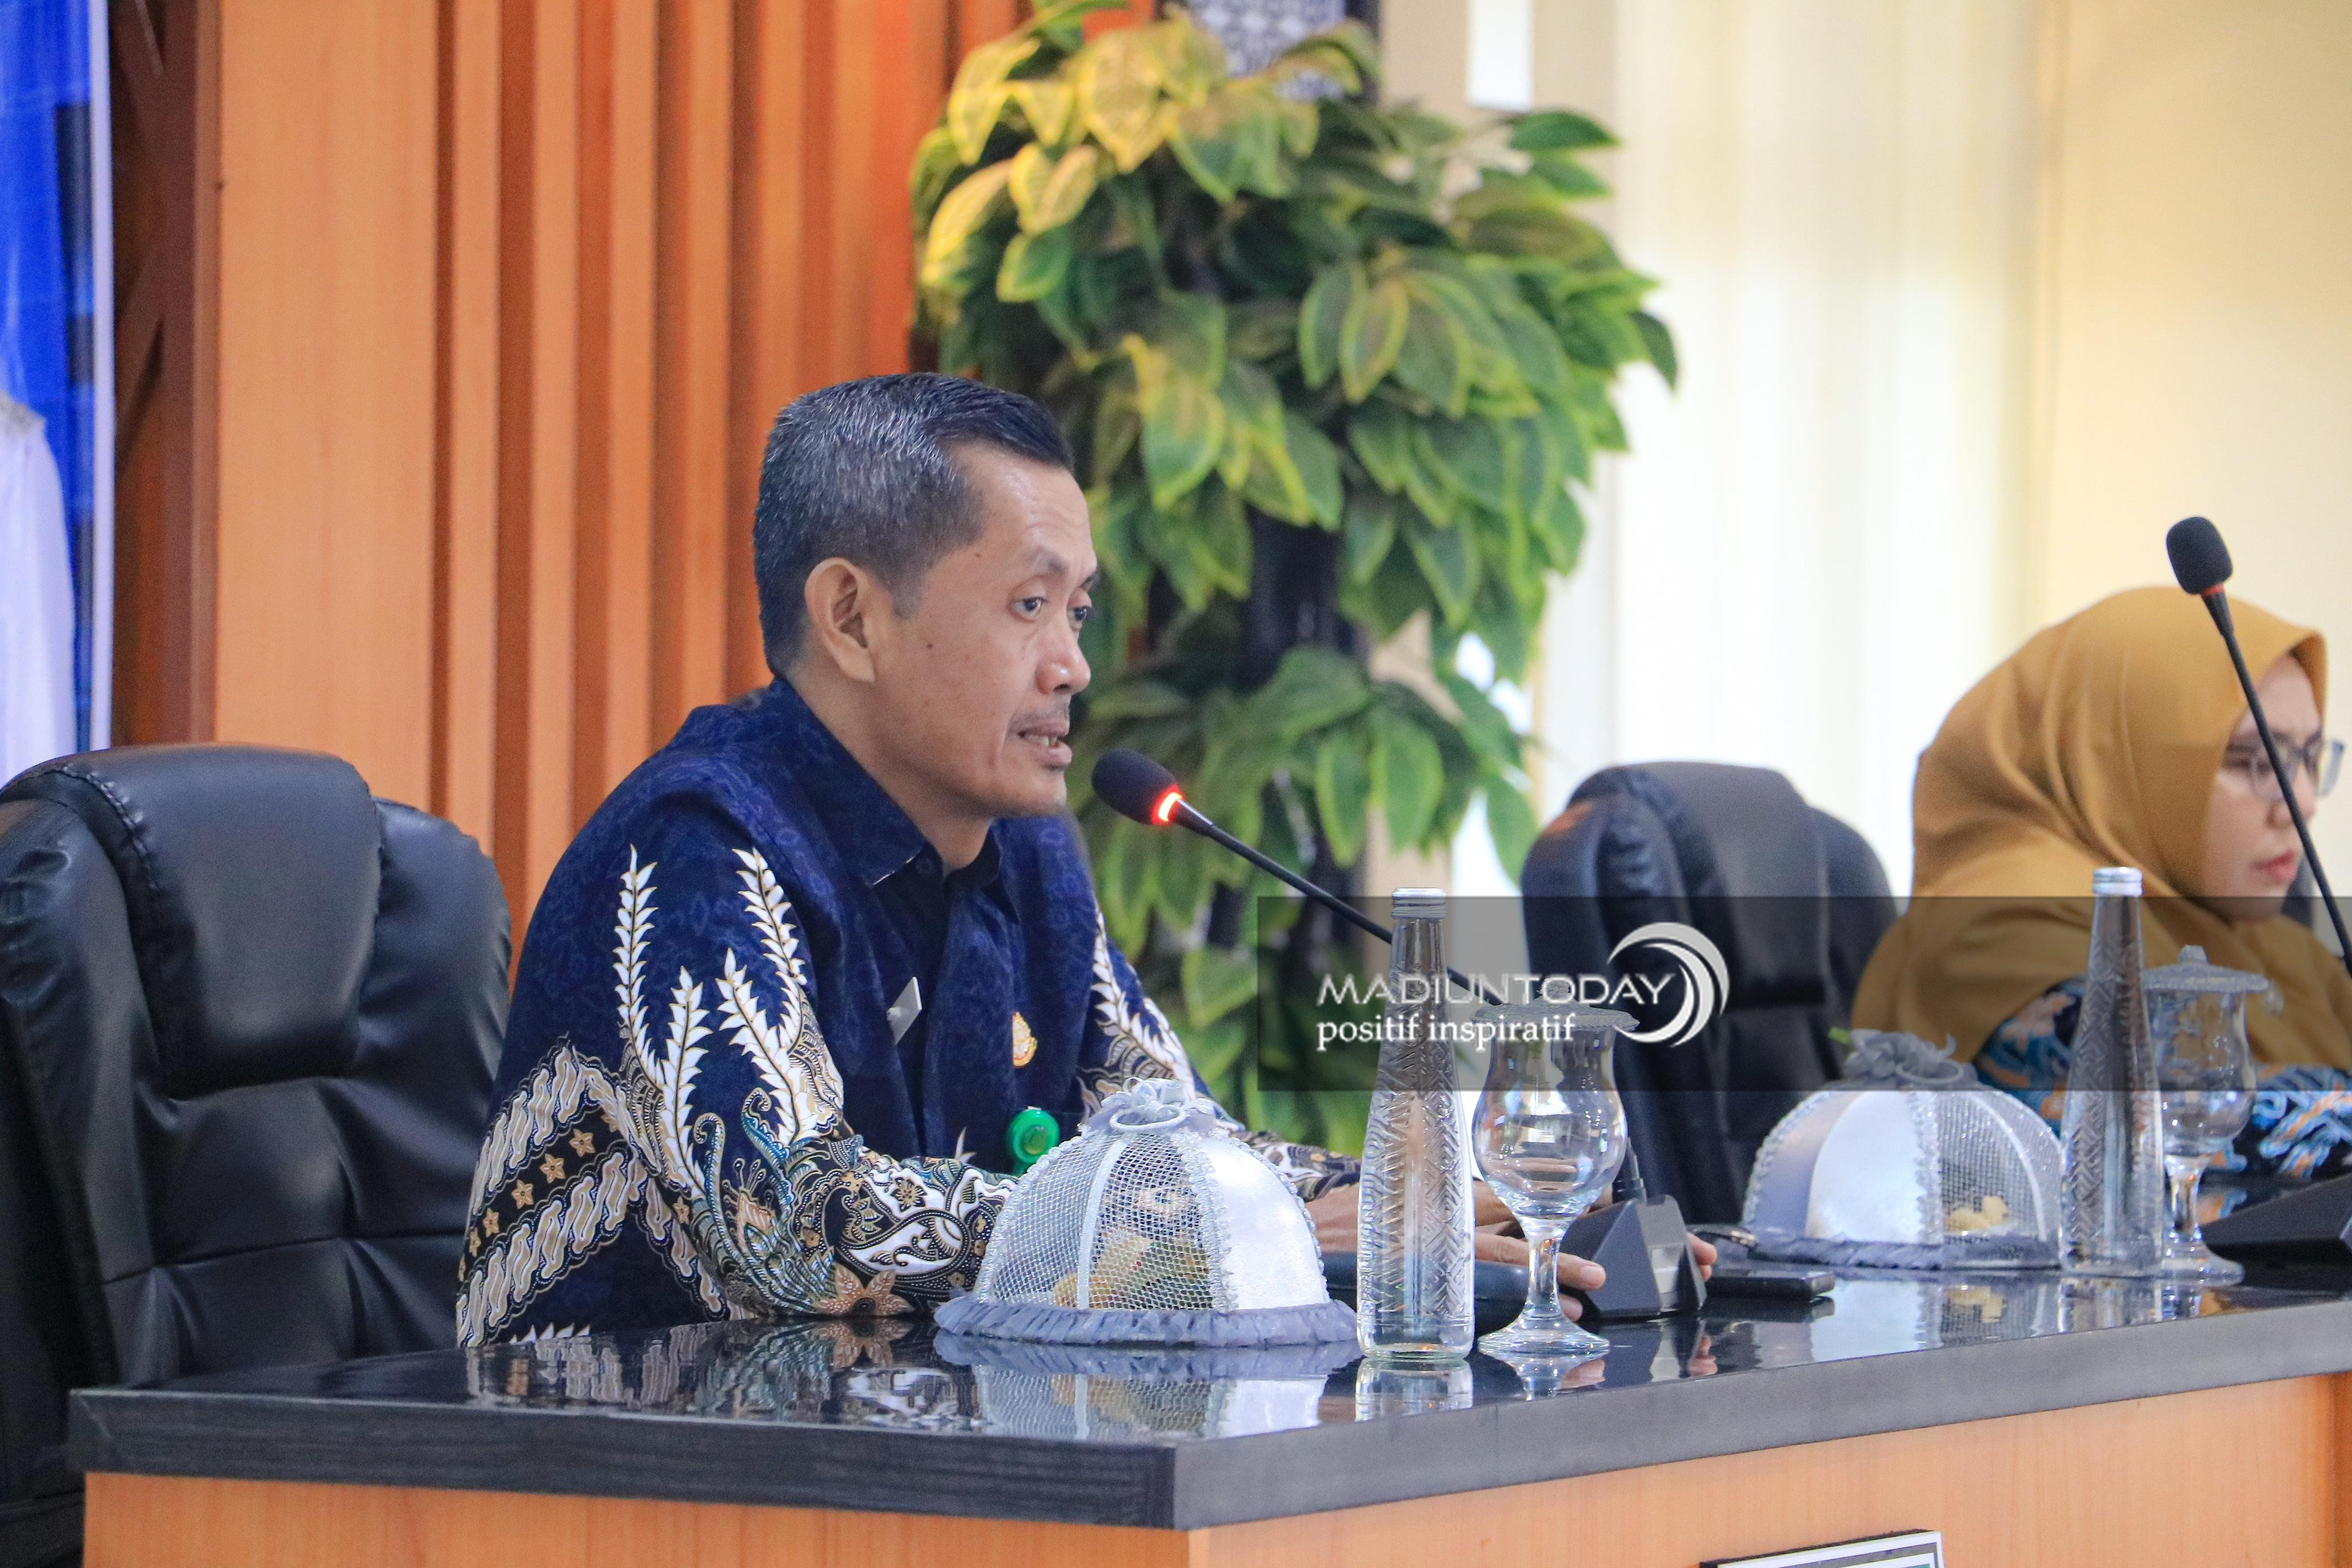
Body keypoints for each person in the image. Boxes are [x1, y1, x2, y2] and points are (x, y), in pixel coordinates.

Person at [457, 375, 1698, 1345]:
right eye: (1028, 605)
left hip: (915, 1472)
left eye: (1079, 608)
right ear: (852, 617)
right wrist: (1248, 1227)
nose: (1076, 666)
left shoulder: (1026, 855)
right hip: (599, 1487)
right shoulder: (698, 845)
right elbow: (801, 1225)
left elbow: (1176, 1144)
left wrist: (1463, 1196)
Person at [1854, 587, 2352, 1177]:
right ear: (2122, 757)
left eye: (2310, 758)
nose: (2300, 802)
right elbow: (2182, 1111)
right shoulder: (2004, 917)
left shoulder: (2271, 946)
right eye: (2257, 761)